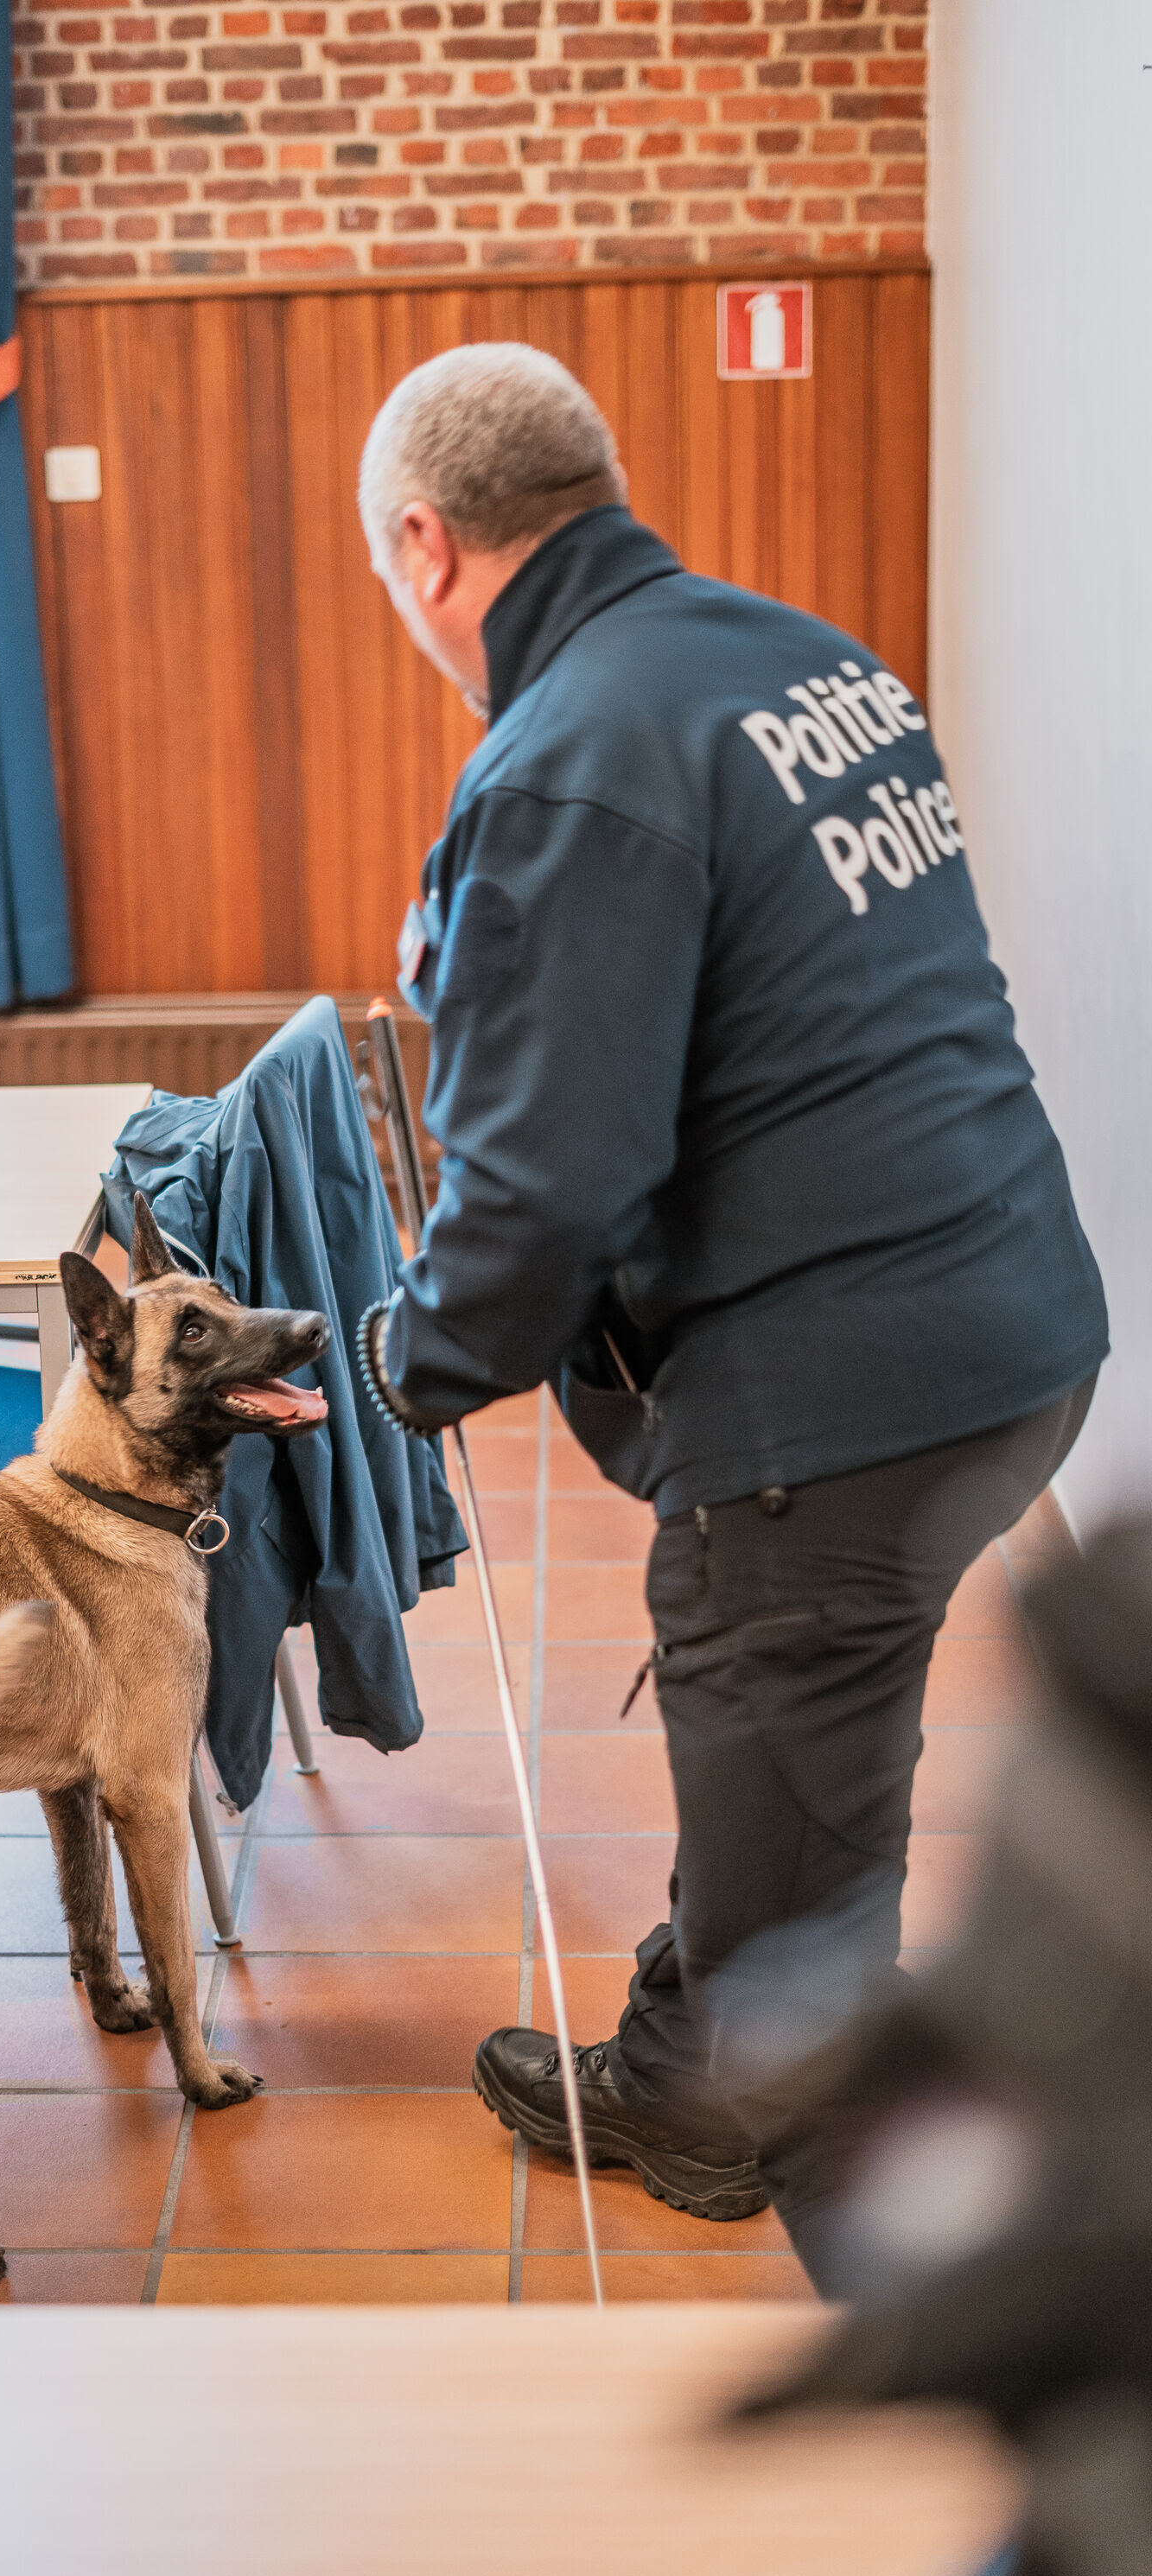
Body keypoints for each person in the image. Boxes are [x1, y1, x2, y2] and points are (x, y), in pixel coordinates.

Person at [353, 342, 1108, 2292]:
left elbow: (537, 1195)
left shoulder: (568, 758)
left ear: (427, 548)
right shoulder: (806, 660)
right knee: (801, 1761)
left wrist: (401, 1365)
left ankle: (855, 2264)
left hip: (839, 1405)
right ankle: (692, 2066)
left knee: (814, 1877)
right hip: (1015, 1328)